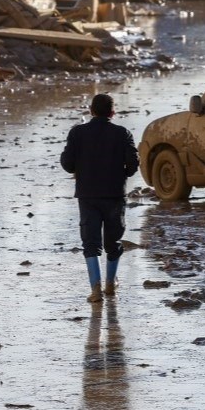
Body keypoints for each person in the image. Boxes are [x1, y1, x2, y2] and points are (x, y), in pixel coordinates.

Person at [60, 93, 139, 303]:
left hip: (87, 195)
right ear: (113, 113)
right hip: (114, 195)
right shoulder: (123, 133)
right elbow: (133, 165)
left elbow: (67, 164)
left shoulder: (77, 133)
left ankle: (96, 290)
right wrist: (121, 172)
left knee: (90, 242)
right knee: (113, 241)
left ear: (91, 111)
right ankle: (110, 284)